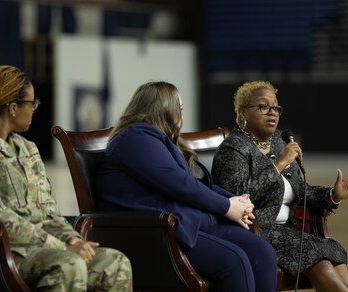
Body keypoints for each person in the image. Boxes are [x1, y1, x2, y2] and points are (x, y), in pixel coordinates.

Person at [0, 65, 132, 291]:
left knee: (115, 263)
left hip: (41, 248)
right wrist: (59, 246)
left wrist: (72, 240)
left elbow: (48, 211)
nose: (34, 110)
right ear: (13, 108)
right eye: (32, 104)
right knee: (69, 264)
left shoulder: (27, 149)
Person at [95, 81, 277, 292]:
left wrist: (237, 201)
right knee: (235, 261)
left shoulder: (156, 138)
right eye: (178, 108)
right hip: (156, 232)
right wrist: (227, 207)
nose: (181, 115)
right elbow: (181, 185)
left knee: (262, 252)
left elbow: (193, 183)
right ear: (162, 108)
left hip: (188, 222)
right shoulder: (135, 138)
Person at [211, 80, 348, 292]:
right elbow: (237, 198)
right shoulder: (233, 149)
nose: (272, 113)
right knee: (319, 261)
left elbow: (300, 190)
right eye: (263, 106)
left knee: (335, 257)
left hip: (289, 232)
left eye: (276, 107)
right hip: (256, 234)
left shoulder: (278, 142)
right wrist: (279, 164)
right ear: (243, 112)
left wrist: (333, 195)